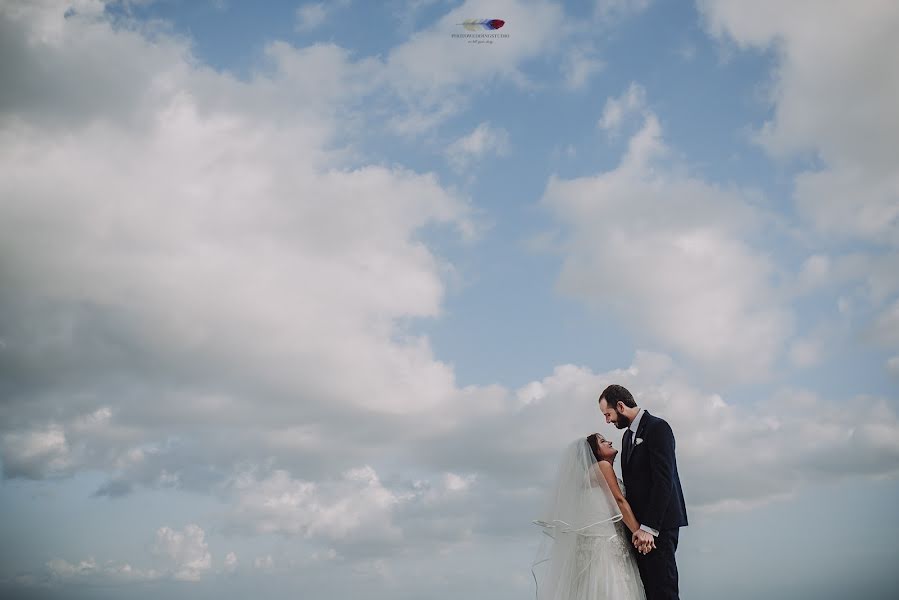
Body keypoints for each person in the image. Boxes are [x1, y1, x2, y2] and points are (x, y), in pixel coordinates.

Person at [598, 384, 688, 600]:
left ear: (620, 406)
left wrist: (649, 528)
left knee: (663, 591)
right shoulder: (626, 438)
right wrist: (636, 529)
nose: (607, 421)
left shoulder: (658, 428)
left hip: (658, 528)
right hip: (638, 533)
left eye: (608, 414)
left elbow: (664, 480)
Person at [531, 433, 646, 600]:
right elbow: (619, 502)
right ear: (595, 452)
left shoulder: (591, 474)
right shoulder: (602, 467)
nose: (610, 441)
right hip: (606, 545)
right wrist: (639, 533)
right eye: (603, 441)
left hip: (605, 542)